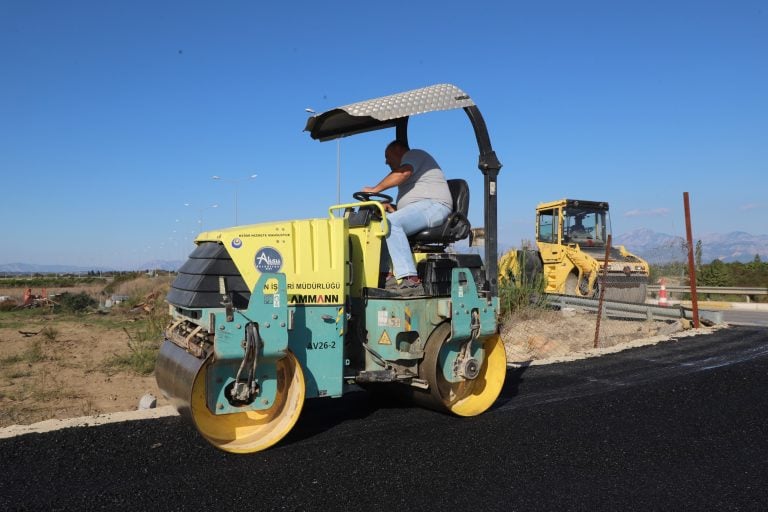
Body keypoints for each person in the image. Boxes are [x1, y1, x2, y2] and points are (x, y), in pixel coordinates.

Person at [361, 140, 452, 295]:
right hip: (423, 207)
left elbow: (403, 173)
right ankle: (386, 276)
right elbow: (412, 205)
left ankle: (410, 280)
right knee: (378, 225)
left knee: (391, 222)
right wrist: (393, 208)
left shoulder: (414, 155)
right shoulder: (412, 167)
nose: (386, 162)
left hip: (435, 206)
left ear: (398, 150)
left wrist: (375, 189)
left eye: (387, 156)